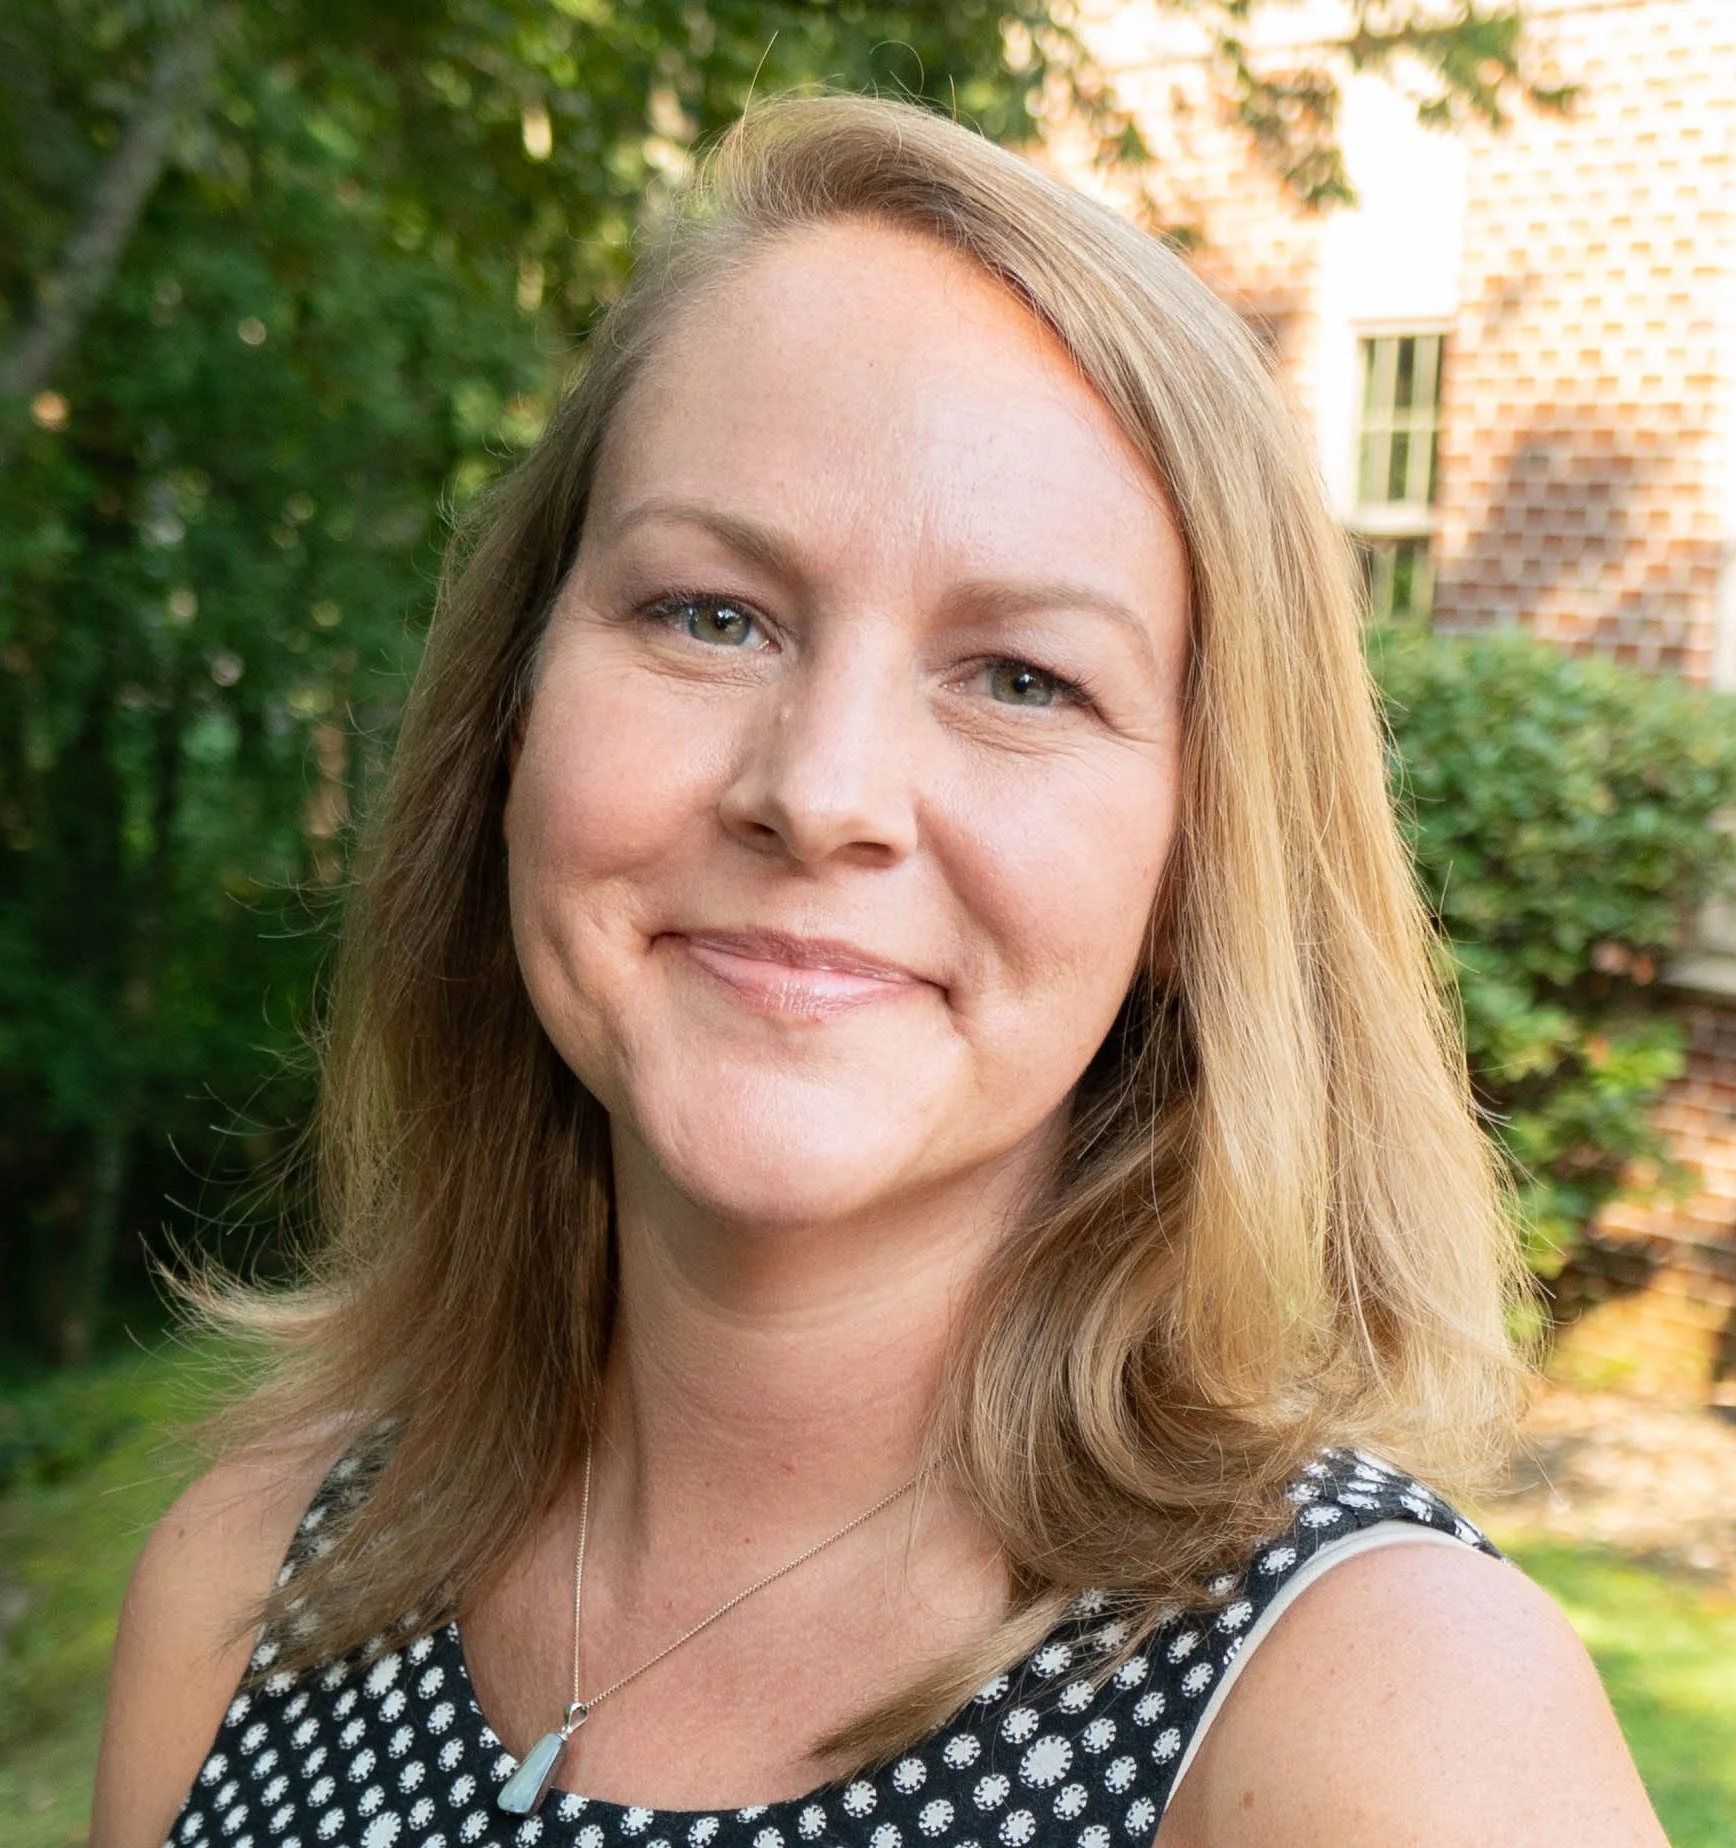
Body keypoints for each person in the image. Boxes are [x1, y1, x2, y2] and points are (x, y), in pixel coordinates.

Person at [92, 93, 1667, 1848]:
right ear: (511, 713)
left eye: (1022, 678)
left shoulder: (1383, 1723)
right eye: (711, 615)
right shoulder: (249, 1585)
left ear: (1199, 865)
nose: (821, 792)